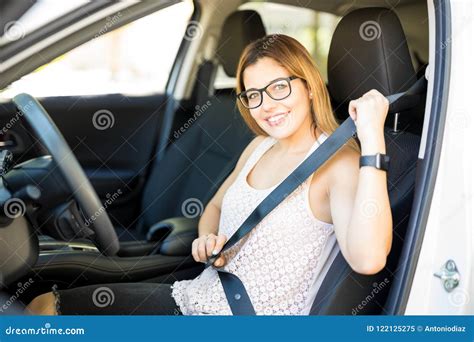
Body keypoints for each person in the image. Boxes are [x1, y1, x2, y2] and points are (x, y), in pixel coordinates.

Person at [26, 34, 392, 315]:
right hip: (197, 296)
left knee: (44, 311)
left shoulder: (337, 165)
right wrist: (207, 240)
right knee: (43, 305)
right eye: (254, 95)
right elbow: (214, 208)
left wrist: (373, 138)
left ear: (309, 87)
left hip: (241, 318)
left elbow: (368, 259)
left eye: (280, 87)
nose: (267, 105)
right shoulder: (260, 147)